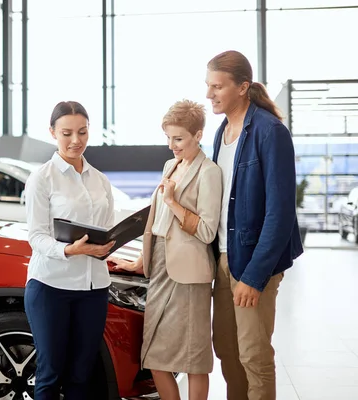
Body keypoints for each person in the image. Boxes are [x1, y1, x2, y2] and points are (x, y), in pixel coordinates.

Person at [206, 50, 304, 400]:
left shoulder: (269, 131)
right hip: (222, 257)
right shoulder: (222, 132)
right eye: (208, 86)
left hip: (251, 262)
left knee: (253, 354)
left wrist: (254, 276)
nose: (209, 94)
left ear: (243, 87)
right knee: (226, 350)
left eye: (217, 86)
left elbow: (280, 214)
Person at [108, 100, 222, 400]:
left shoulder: (209, 172)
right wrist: (142, 260)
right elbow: (156, 222)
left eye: (179, 138)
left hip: (188, 275)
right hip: (159, 267)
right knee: (155, 356)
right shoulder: (170, 166)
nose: (172, 145)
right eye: (168, 138)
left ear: (198, 135)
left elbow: (208, 230)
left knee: (194, 360)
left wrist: (173, 201)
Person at [23, 101, 116, 400]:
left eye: (82, 132)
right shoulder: (42, 177)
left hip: (94, 287)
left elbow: (107, 228)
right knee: (50, 372)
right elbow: (36, 237)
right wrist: (69, 250)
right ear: (52, 132)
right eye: (67, 133)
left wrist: (109, 245)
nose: (76, 140)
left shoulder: (100, 180)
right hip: (51, 286)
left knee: (82, 374)